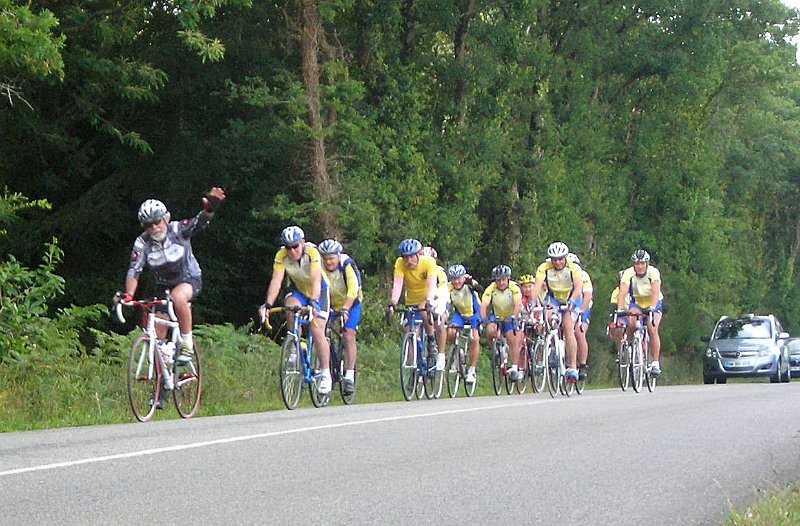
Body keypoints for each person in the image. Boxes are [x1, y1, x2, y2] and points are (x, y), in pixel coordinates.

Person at [121, 187, 226, 365]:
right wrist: (129, 295)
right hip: (164, 285)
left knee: (178, 297)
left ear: (166, 218)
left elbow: (198, 222)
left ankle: (186, 343)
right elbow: (134, 270)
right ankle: (165, 378)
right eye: (148, 225)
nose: (154, 228)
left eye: (157, 221)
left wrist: (210, 209)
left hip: (189, 278)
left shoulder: (178, 229)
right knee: (155, 332)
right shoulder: (142, 242)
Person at [259, 226, 332, 394]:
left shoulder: (312, 253)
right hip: (299, 290)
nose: (291, 251)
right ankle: (295, 344)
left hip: (319, 292)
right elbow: (276, 281)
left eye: (295, 246)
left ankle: (326, 374)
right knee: (290, 308)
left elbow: (315, 280)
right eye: (288, 247)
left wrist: (313, 303)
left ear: (303, 243)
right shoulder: (281, 256)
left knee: (317, 329)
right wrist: (268, 305)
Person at [528, 241, 584, 383]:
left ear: (565, 257)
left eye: (560, 259)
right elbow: (536, 287)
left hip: (572, 298)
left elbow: (578, 288)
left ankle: (572, 367)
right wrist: (531, 302)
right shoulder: (544, 268)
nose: (557, 262)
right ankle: (547, 350)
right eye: (554, 259)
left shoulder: (574, 268)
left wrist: (572, 301)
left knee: (568, 327)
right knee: (546, 318)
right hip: (554, 298)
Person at [388, 239, 444, 371]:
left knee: (422, 309)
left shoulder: (429, 262)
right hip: (411, 300)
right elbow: (397, 284)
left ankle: (431, 341)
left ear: (419, 254)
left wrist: (429, 301)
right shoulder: (400, 264)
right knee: (409, 331)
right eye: (405, 257)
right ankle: (414, 368)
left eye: (412, 256)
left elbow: (432, 284)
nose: (408, 261)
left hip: (428, 297)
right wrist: (393, 302)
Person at [318, 239, 362, 396]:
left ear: (338, 256)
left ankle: (349, 376)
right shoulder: (319, 266)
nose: (328, 262)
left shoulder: (346, 265)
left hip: (351, 303)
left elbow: (353, 290)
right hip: (329, 305)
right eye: (325, 258)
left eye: (331, 258)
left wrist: (345, 308)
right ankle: (326, 370)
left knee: (348, 335)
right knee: (321, 334)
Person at [618, 250, 664, 377]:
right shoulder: (628, 273)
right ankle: (631, 347)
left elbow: (655, 292)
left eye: (642, 263)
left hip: (653, 302)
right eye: (637, 264)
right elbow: (622, 292)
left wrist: (653, 307)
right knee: (631, 322)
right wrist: (620, 309)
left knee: (651, 327)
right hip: (637, 303)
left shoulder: (653, 272)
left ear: (647, 263)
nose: (640, 267)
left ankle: (655, 363)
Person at [480, 265, 524, 382]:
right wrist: (484, 319)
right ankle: (495, 350)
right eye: (498, 280)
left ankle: (514, 367)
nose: (501, 282)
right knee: (490, 330)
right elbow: (484, 304)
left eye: (503, 279)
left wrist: (514, 316)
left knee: (511, 337)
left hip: (510, 316)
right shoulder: (491, 288)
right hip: (497, 316)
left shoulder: (514, 287)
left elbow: (518, 303)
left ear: (508, 278)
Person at [447, 264, 482, 384]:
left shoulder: (469, 284)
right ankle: (457, 355)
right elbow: (445, 300)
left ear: (463, 277)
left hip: (474, 313)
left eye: (459, 278)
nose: (456, 281)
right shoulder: (449, 287)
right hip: (460, 314)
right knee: (451, 331)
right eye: (454, 279)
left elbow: (480, 289)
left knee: (474, 338)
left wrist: (471, 282)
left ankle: (472, 370)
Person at [567, 253, 593, 381]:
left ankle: (583, 365)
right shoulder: (564, 276)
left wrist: (582, 311)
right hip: (569, 304)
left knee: (579, 332)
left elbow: (587, 295)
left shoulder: (583, 276)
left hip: (583, 305)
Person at [421, 246, 450, 358]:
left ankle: (441, 356)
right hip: (423, 300)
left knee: (438, 322)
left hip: (440, 300)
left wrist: (431, 298)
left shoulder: (440, 272)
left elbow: (443, 291)